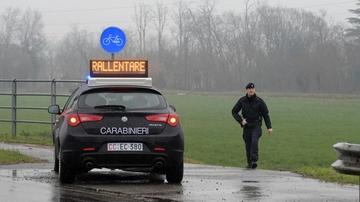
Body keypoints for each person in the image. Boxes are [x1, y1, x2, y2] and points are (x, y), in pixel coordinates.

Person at [231, 82, 273, 169]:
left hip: (256, 125)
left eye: (252, 89)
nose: (251, 90)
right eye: (249, 89)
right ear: (246, 90)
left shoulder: (260, 101)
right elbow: (234, 111)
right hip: (247, 125)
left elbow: (265, 115)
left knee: (254, 142)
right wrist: (241, 121)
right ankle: (250, 163)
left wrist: (269, 127)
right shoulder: (242, 101)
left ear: (255, 90)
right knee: (248, 144)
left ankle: (254, 160)